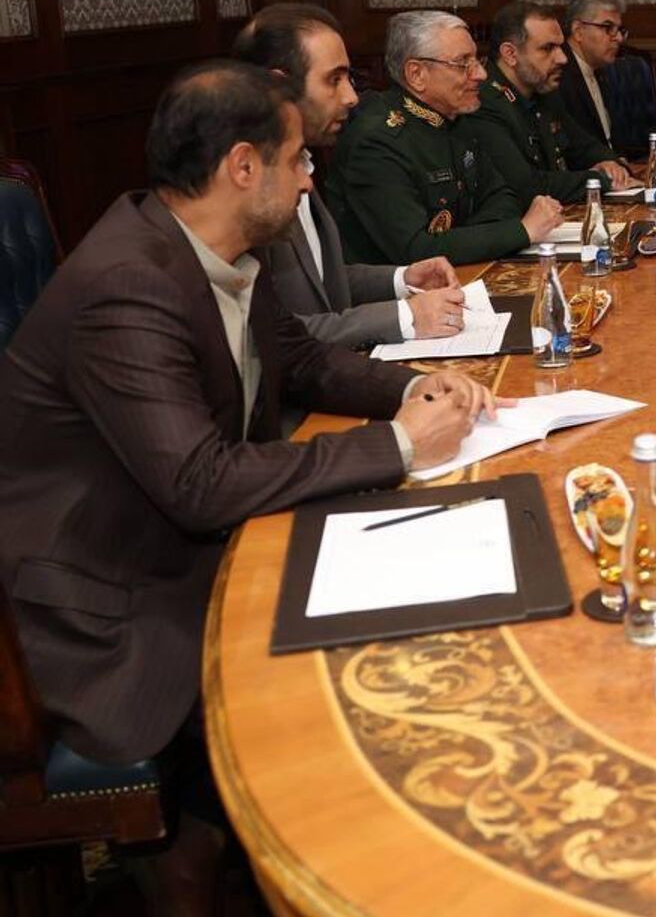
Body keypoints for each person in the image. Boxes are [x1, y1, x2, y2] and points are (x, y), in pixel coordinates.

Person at [0, 64, 495, 908]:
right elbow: (198, 482)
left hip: (168, 544)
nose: (309, 180)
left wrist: (414, 387)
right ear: (242, 166)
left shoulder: (209, 247)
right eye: (298, 160)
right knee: (352, 688)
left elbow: (300, 358)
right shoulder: (128, 282)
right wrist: (399, 444)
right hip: (104, 604)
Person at [232, 3, 468, 353]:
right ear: (277, 86)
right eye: (334, 80)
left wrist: (402, 278)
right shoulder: (246, 188)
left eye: (349, 79)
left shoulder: (302, 162)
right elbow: (271, 335)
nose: (352, 97)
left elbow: (323, 281)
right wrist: (406, 316)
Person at [327, 10, 563, 265]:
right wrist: (521, 231)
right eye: (463, 64)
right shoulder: (376, 141)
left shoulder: (456, 118)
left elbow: (503, 198)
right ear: (417, 74)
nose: (481, 75)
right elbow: (416, 250)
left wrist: (461, 240)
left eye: (477, 60)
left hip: (467, 272)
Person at [472, 1, 633, 207]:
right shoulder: (484, 102)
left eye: (560, 47)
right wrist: (600, 179)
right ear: (510, 54)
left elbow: (584, 146)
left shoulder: (543, 91)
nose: (562, 58)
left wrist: (613, 165)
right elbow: (527, 186)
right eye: (548, 48)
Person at [558, 0, 656, 155]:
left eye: (620, 30)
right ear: (578, 31)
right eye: (608, 28)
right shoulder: (558, 76)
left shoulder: (602, 70)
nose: (619, 38)